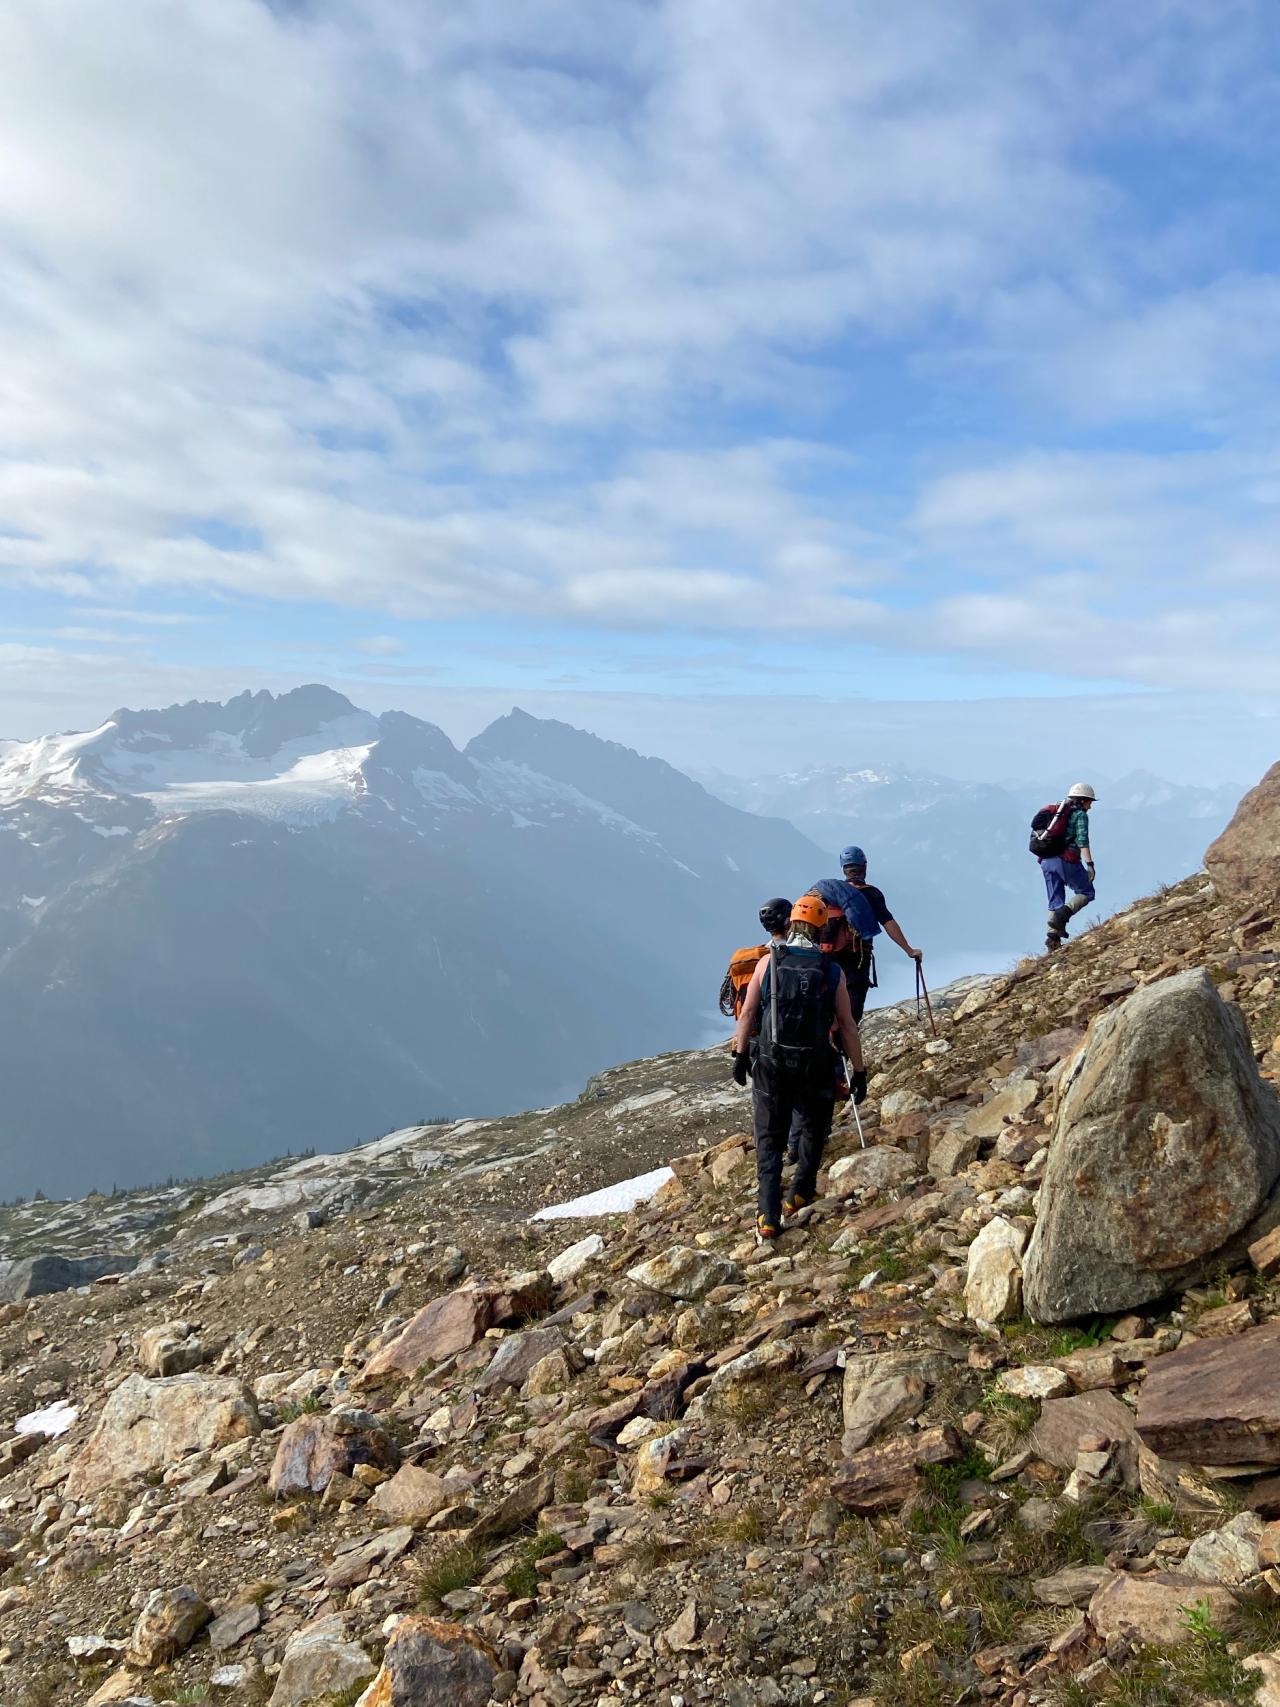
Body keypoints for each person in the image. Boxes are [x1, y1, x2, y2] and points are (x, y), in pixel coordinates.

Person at [732, 895, 867, 1242]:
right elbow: (847, 1024)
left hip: (771, 1064)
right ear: (823, 926)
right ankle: (802, 1190)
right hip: (815, 1062)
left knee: (770, 1137)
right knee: (813, 1125)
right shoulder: (830, 969)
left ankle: (767, 1215)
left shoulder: (768, 963)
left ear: (791, 923)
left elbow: (748, 1014)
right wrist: (860, 1070)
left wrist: (741, 1054)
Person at [835, 846, 924, 1021]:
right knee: (852, 1013)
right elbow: (888, 923)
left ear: (844, 868)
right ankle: (846, 1045)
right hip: (857, 961)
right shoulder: (871, 893)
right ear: (864, 867)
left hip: (828, 960)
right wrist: (909, 950)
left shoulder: (830, 894)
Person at [1040, 783, 1097, 952]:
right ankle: (1063, 915)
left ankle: (1052, 940)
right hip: (1065, 860)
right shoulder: (1080, 815)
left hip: (1045, 861)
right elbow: (1082, 840)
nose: (1091, 806)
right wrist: (1090, 864)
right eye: (1089, 802)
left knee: (1055, 899)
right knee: (1087, 892)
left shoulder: (1058, 812)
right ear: (1083, 801)